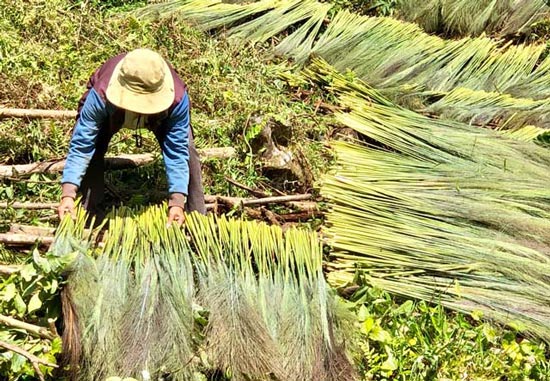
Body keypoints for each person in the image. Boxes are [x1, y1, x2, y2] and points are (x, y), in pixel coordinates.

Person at [57, 48, 205, 225]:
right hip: (112, 109)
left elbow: (177, 152)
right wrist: (68, 193)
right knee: (94, 146)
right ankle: (90, 214)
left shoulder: (177, 99)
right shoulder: (102, 94)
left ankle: (195, 217)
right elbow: (82, 144)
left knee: (187, 149)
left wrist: (177, 202)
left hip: (163, 115)